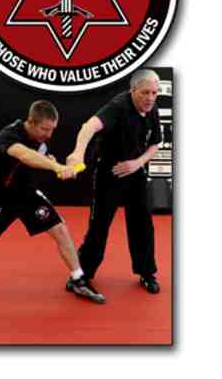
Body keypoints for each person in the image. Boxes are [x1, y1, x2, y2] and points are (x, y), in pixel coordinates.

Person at [0, 100, 105, 304]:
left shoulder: (41, 139)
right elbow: (25, 155)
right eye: (45, 129)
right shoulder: (9, 135)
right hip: (1, 200)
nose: (49, 135)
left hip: (28, 196)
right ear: (31, 122)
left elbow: (39, 156)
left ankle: (78, 279)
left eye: (52, 129)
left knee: (60, 230)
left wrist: (54, 162)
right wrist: (57, 167)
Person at [66, 69, 163, 294]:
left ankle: (146, 272)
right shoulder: (118, 106)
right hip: (109, 173)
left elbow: (155, 145)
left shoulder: (152, 109)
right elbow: (89, 126)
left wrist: (137, 163)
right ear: (133, 90)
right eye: (145, 92)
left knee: (142, 224)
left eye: (154, 93)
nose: (150, 98)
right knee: (99, 226)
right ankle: (81, 275)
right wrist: (78, 153)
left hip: (135, 171)